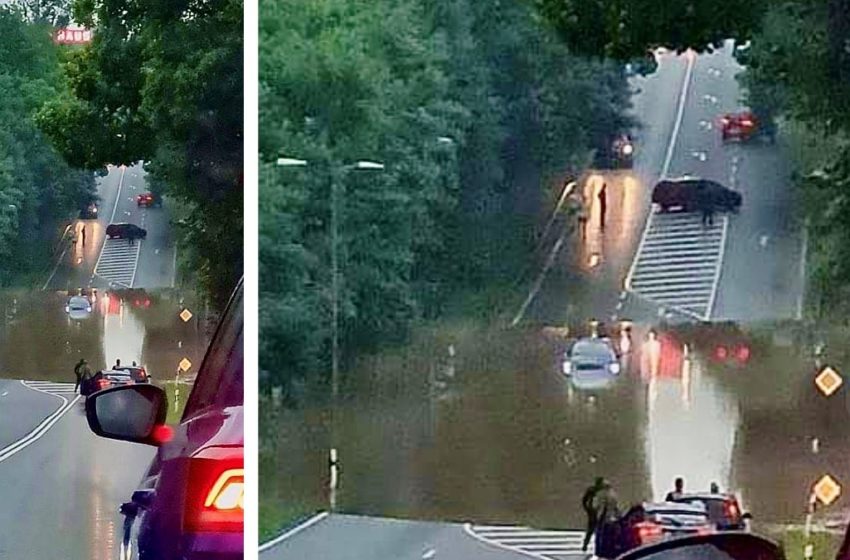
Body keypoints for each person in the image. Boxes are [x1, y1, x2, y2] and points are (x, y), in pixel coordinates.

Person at [581, 477, 606, 551]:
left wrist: (587, 509)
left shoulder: (592, 490)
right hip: (597, 512)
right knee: (597, 530)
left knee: (592, 530)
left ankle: (586, 545)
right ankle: (594, 545)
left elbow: (584, 500)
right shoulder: (601, 491)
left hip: (594, 512)